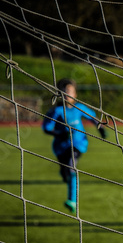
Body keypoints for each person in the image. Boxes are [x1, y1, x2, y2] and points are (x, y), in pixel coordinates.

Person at [42, 78, 107, 213]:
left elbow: (93, 118)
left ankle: (72, 200)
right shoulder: (58, 111)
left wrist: (100, 129)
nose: (68, 94)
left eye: (71, 92)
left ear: (75, 94)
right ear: (61, 94)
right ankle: (65, 176)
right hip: (61, 147)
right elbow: (46, 127)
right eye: (65, 92)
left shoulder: (80, 108)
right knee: (66, 173)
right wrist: (59, 134)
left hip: (78, 144)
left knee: (72, 169)